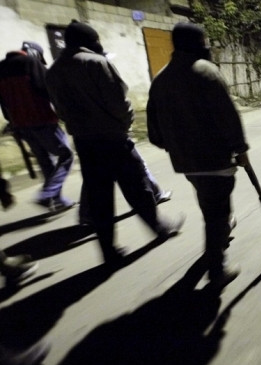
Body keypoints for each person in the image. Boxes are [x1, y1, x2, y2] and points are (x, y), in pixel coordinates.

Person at [45, 20, 184, 265]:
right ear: (90, 41)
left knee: (99, 198)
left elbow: (60, 110)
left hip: (85, 142)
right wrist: (124, 125)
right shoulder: (97, 63)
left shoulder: (54, 70)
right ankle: (160, 227)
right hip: (112, 138)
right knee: (137, 186)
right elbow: (118, 102)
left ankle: (109, 251)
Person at [147, 22, 248, 287]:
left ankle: (223, 228)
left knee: (209, 202)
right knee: (215, 214)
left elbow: (154, 132)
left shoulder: (160, 79)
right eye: (204, 40)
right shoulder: (207, 72)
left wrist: (176, 146)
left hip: (186, 163)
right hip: (215, 158)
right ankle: (217, 270)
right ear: (198, 42)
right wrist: (241, 149)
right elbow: (229, 116)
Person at [0, 41, 75, 211]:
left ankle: (56, 200)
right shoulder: (31, 63)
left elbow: (3, 103)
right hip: (42, 120)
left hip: (21, 125)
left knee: (45, 161)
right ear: (34, 54)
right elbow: (48, 90)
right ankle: (48, 193)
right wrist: (62, 112)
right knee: (66, 155)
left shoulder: (1, 68)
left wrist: (12, 123)